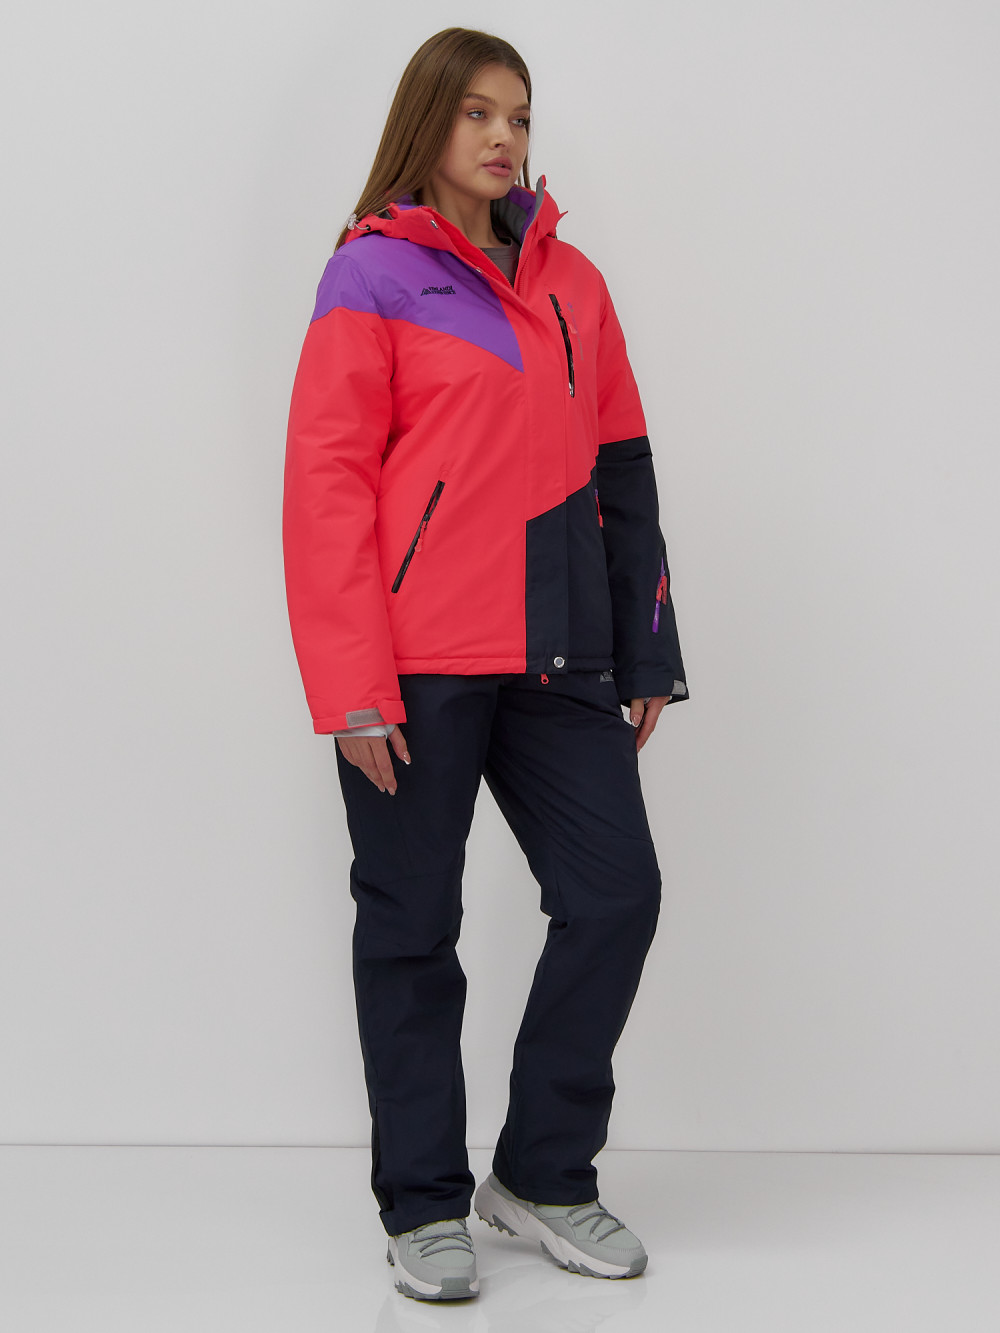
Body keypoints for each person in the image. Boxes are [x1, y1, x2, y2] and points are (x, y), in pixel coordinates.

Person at [282, 26, 689, 1302]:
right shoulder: (371, 274)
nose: (503, 136)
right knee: (412, 928)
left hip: (562, 657)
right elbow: (325, 487)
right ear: (429, 123)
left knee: (615, 894)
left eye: (517, 114)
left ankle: (544, 1173)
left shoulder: (574, 284)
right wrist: (352, 687)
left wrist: (646, 647)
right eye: (476, 113)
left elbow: (623, 471)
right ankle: (422, 1202)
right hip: (415, 668)